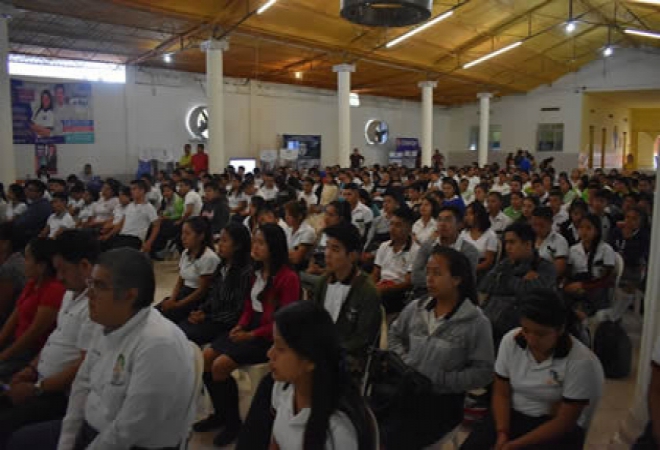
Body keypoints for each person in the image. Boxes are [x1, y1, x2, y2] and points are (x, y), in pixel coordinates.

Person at [461, 289, 604, 450]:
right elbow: (502, 393)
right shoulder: (511, 341)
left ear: (560, 329)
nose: (531, 339)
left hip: (552, 428)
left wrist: (514, 445)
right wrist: (502, 433)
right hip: (511, 416)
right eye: (526, 330)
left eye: (541, 334)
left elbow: (564, 422)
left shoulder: (581, 361)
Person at [196, 223, 299, 446]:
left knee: (220, 365)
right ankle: (220, 414)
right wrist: (241, 326)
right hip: (251, 327)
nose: (255, 247)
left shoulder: (287, 277)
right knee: (205, 359)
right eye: (254, 242)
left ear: (274, 246)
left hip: (271, 336)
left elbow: (283, 321)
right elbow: (248, 306)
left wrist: (252, 334)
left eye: (261, 243)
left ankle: (233, 423)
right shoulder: (256, 272)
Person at [383, 247, 494, 449]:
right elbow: (394, 335)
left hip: (442, 405)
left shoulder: (476, 322)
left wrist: (444, 380)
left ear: (457, 279)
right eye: (428, 272)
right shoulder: (417, 308)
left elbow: (484, 372)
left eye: (437, 273)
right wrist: (406, 362)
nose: (429, 279)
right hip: (407, 395)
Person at [0, 230, 99, 447]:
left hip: (59, 394)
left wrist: (37, 387)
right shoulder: (69, 293)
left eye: (63, 270)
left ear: (84, 266)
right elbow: (55, 339)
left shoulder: (96, 306)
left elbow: (83, 366)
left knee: (8, 427)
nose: (60, 277)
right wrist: (31, 368)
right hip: (40, 378)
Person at [268, 301, 376, 450]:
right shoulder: (282, 388)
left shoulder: (338, 432)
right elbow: (277, 440)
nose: (270, 354)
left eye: (280, 348)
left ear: (310, 361)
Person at [312, 223, 381, 377]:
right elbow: (314, 320)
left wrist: (331, 349)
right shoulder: (323, 282)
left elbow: (363, 338)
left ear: (352, 255)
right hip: (324, 348)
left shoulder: (367, 291)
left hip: (350, 356)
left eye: (335, 249)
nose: (327, 254)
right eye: (327, 247)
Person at [479, 222, 557, 347]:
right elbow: (485, 285)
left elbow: (532, 293)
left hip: (519, 327)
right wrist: (520, 281)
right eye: (506, 243)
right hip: (490, 321)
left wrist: (504, 280)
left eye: (512, 242)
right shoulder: (505, 264)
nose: (507, 247)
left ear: (528, 244)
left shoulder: (545, 268)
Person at [0, 238, 65, 380]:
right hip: (15, 344)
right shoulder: (32, 283)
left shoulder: (54, 290)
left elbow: (33, 334)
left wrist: (4, 356)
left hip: (30, 352)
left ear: (41, 266)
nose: (24, 263)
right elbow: (14, 317)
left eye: (27, 259)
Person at [178, 223, 252, 346]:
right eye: (219, 240)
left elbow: (237, 310)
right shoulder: (222, 266)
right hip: (212, 316)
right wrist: (201, 311)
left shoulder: (245, 273)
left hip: (225, 322)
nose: (220, 245)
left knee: (185, 334)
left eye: (225, 241)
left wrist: (207, 318)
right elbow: (213, 296)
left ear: (238, 245)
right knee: (179, 328)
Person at [157, 217, 220, 324]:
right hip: (184, 292)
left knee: (165, 319)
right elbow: (180, 280)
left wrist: (177, 304)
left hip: (196, 299)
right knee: (156, 311)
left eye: (187, 234)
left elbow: (201, 291)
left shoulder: (209, 258)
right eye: (182, 233)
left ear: (200, 236)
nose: (183, 237)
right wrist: (172, 298)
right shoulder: (186, 253)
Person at [564, 214, 616, 318]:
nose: (584, 231)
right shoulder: (573, 249)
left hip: (596, 288)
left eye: (588, 228)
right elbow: (568, 273)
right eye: (581, 228)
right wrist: (568, 285)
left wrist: (584, 286)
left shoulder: (606, 250)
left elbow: (608, 279)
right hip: (577, 286)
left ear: (596, 231)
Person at [372, 207, 418, 313]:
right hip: (381, 286)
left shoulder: (415, 250)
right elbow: (375, 274)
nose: (392, 229)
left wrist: (386, 289)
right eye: (391, 224)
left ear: (409, 228)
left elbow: (408, 282)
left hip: (398, 292)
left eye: (398, 225)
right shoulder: (384, 246)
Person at [101, 180, 161, 252]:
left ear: (142, 191)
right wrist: (108, 236)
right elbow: (120, 224)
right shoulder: (129, 206)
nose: (131, 192)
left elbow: (156, 226)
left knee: (117, 249)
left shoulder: (148, 207)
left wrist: (149, 243)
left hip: (134, 238)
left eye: (134, 189)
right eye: (131, 189)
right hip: (122, 236)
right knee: (101, 244)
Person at [460, 201, 499, 278]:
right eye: (466, 214)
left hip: (480, 272)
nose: (467, 217)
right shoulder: (463, 233)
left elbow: (488, 262)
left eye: (470, 214)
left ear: (478, 215)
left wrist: (470, 270)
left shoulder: (490, 235)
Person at [531, 207, 569, 279]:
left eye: (541, 225)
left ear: (551, 222)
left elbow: (559, 270)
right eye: (534, 225)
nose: (537, 229)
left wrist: (537, 276)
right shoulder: (528, 238)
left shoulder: (559, 241)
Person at [13, 180, 52, 249]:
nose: (26, 191)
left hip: (32, 238)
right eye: (26, 189)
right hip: (28, 235)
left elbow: (25, 223)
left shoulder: (41, 206)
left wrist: (15, 222)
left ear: (39, 193)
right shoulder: (35, 204)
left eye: (30, 190)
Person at [0, 224, 25, 327]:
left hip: (10, 323)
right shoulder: (18, 258)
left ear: (6, 243)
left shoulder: (9, 267)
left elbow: (2, 308)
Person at [284, 200, 316, 271]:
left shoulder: (308, 231)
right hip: (286, 264)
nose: (286, 217)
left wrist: (285, 252)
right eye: (286, 214)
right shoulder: (288, 228)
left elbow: (296, 259)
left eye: (289, 215)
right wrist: (290, 252)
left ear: (299, 216)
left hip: (299, 268)